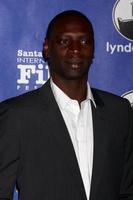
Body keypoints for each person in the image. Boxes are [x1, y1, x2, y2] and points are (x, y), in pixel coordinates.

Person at [0, 10, 133, 200]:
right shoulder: (16, 115)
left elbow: (127, 191)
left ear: (94, 48)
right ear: (46, 48)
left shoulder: (119, 112)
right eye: (64, 41)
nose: (76, 49)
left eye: (85, 41)